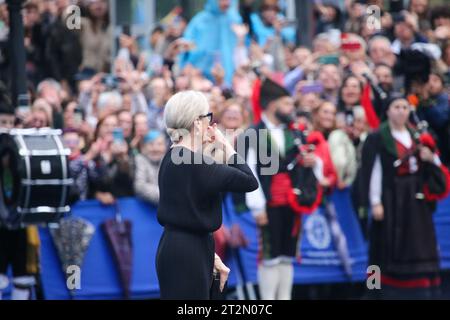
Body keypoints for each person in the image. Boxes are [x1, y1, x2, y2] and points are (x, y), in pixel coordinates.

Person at [156, 90, 258, 299]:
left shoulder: (174, 156)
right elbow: (249, 181)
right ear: (197, 122)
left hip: (183, 246)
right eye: (208, 118)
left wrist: (209, 254)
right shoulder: (193, 162)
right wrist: (226, 145)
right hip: (187, 252)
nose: (212, 124)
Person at [357, 95, 450, 299]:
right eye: (396, 107)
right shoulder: (377, 137)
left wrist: (430, 157)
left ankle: (422, 289)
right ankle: (375, 288)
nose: (401, 111)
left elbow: (435, 165)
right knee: (380, 245)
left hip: (415, 200)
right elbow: (374, 171)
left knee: (419, 243)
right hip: (390, 198)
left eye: (404, 107)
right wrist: (375, 201)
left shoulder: (417, 136)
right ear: (388, 111)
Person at [241, 78, 322, 300]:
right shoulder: (253, 133)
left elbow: (313, 161)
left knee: (288, 255)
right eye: (287, 104)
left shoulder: (296, 132)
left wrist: (313, 162)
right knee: (269, 255)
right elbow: (249, 171)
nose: (291, 109)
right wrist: (257, 207)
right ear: (272, 105)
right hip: (268, 203)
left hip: (293, 201)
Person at [134, 130, 167, 205]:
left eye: (159, 144)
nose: (155, 148)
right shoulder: (139, 159)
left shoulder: (168, 161)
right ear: (144, 147)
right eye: (151, 144)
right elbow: (140, 187)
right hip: (144, 210)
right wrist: (166, 196)